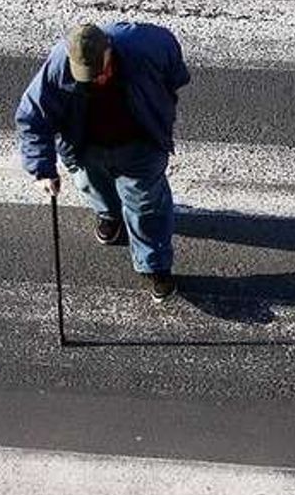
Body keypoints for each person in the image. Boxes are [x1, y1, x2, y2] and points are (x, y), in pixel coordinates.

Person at [15, 22, 190, 304]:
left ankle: (155, 266)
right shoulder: (60, 63)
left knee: (147, 207)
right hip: (86, 145)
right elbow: (32, 116)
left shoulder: (145, 46)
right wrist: (42, 169)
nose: (97, 80)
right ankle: (109, 215)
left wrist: (163, 104)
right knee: (90, 185)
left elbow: (174, 69)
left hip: (140, 144)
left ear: (109, 49)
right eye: (88, 76)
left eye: (101, 71)